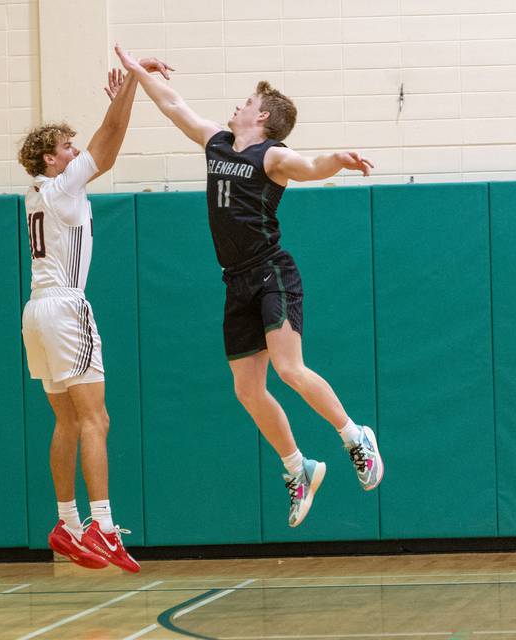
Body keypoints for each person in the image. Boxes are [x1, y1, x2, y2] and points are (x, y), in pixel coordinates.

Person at [115, 45, 384, 528]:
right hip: (235, 281)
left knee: (289, 369)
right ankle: (297, 466)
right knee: (247, 389)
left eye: (244, 102)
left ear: (260, 116)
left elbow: (310, 165)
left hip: (272, 273)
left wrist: (338, 160)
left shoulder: (272, 156)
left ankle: (354, 436)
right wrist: (136, 70)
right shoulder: (215, 141)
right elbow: (174, 105)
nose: (235, 106)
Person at [17, 60, 171, 571]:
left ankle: (66, 521)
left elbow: (105, 136)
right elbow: (113, 136)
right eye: (67, 147)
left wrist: (118, 97)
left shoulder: (37, 194)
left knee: (65, 420)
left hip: (35, 311)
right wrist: (131, 85)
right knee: (96, 419)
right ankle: (103, 527)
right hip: (64, 307)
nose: (76, 151)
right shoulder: (61, 188)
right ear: (49, 158)